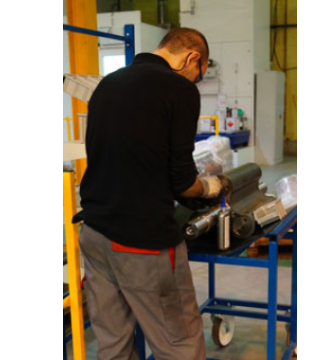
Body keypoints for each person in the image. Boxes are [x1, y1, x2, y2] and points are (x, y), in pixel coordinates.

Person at [74, 28, 224, 360]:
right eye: (197, 76)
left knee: (113, 344)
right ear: (192, 58)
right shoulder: (178, 90)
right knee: (179, 343)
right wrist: (210, 186)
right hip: (141, 243)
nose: (194, 83)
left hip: (95, 235)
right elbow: (183, 182)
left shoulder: (107, 85)